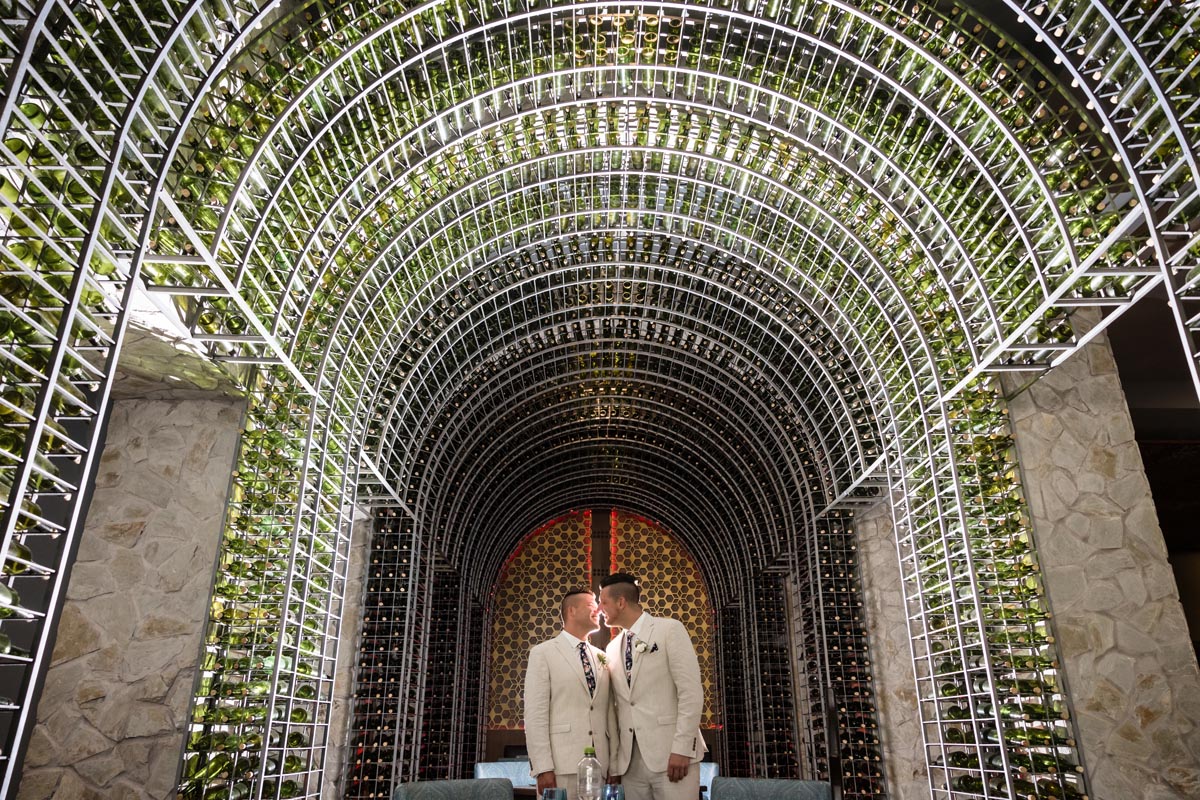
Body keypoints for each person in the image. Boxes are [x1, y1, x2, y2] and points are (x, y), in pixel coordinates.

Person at [599, 572, 706, 800]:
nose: (599, 608)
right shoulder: (611, 648)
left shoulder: (669, 630)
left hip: (672, 756)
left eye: (603, 601)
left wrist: (682, 748)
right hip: (631, 764)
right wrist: (617, 764)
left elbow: (691, 693)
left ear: (621, 602)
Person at [524, 589, 616, 795]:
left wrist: (614, 765)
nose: (599, 611)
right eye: (592, 606)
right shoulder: (543, 653)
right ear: (572, 611)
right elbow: (535, 715)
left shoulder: (602, 656)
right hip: (560, 766)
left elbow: (609, 712)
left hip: (600, 766)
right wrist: (543, 768)